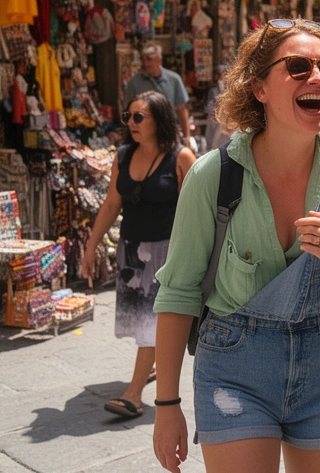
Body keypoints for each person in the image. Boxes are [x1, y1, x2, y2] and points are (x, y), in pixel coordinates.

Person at [151, 20, 320, 473]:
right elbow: (179, 291)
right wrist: (167, 404)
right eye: (299, 67)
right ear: (259, 87)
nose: (318, 78)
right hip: (234, 369)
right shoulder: (212, 175)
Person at [80, 91, 195, 418]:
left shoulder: (181, 158)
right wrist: (92, 246)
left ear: (158, 120)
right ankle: (151, 367)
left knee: (151, 323)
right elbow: (111, 204)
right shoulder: (123, 156)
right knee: (143, 322)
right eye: (128, 117)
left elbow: (202, 208)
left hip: (167, 255)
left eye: (138, 117)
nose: (130, 123)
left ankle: (134, 395)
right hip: (131, 253)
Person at [124, 43, 191, 142]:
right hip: (143, 137)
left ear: (159, 60)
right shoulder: (134, 82)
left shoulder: (173, 79)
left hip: (168, 134)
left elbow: (181, 110)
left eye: (149, 59)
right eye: (143, 59)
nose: (145, 63)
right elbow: (128, 113)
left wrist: (187, 139)